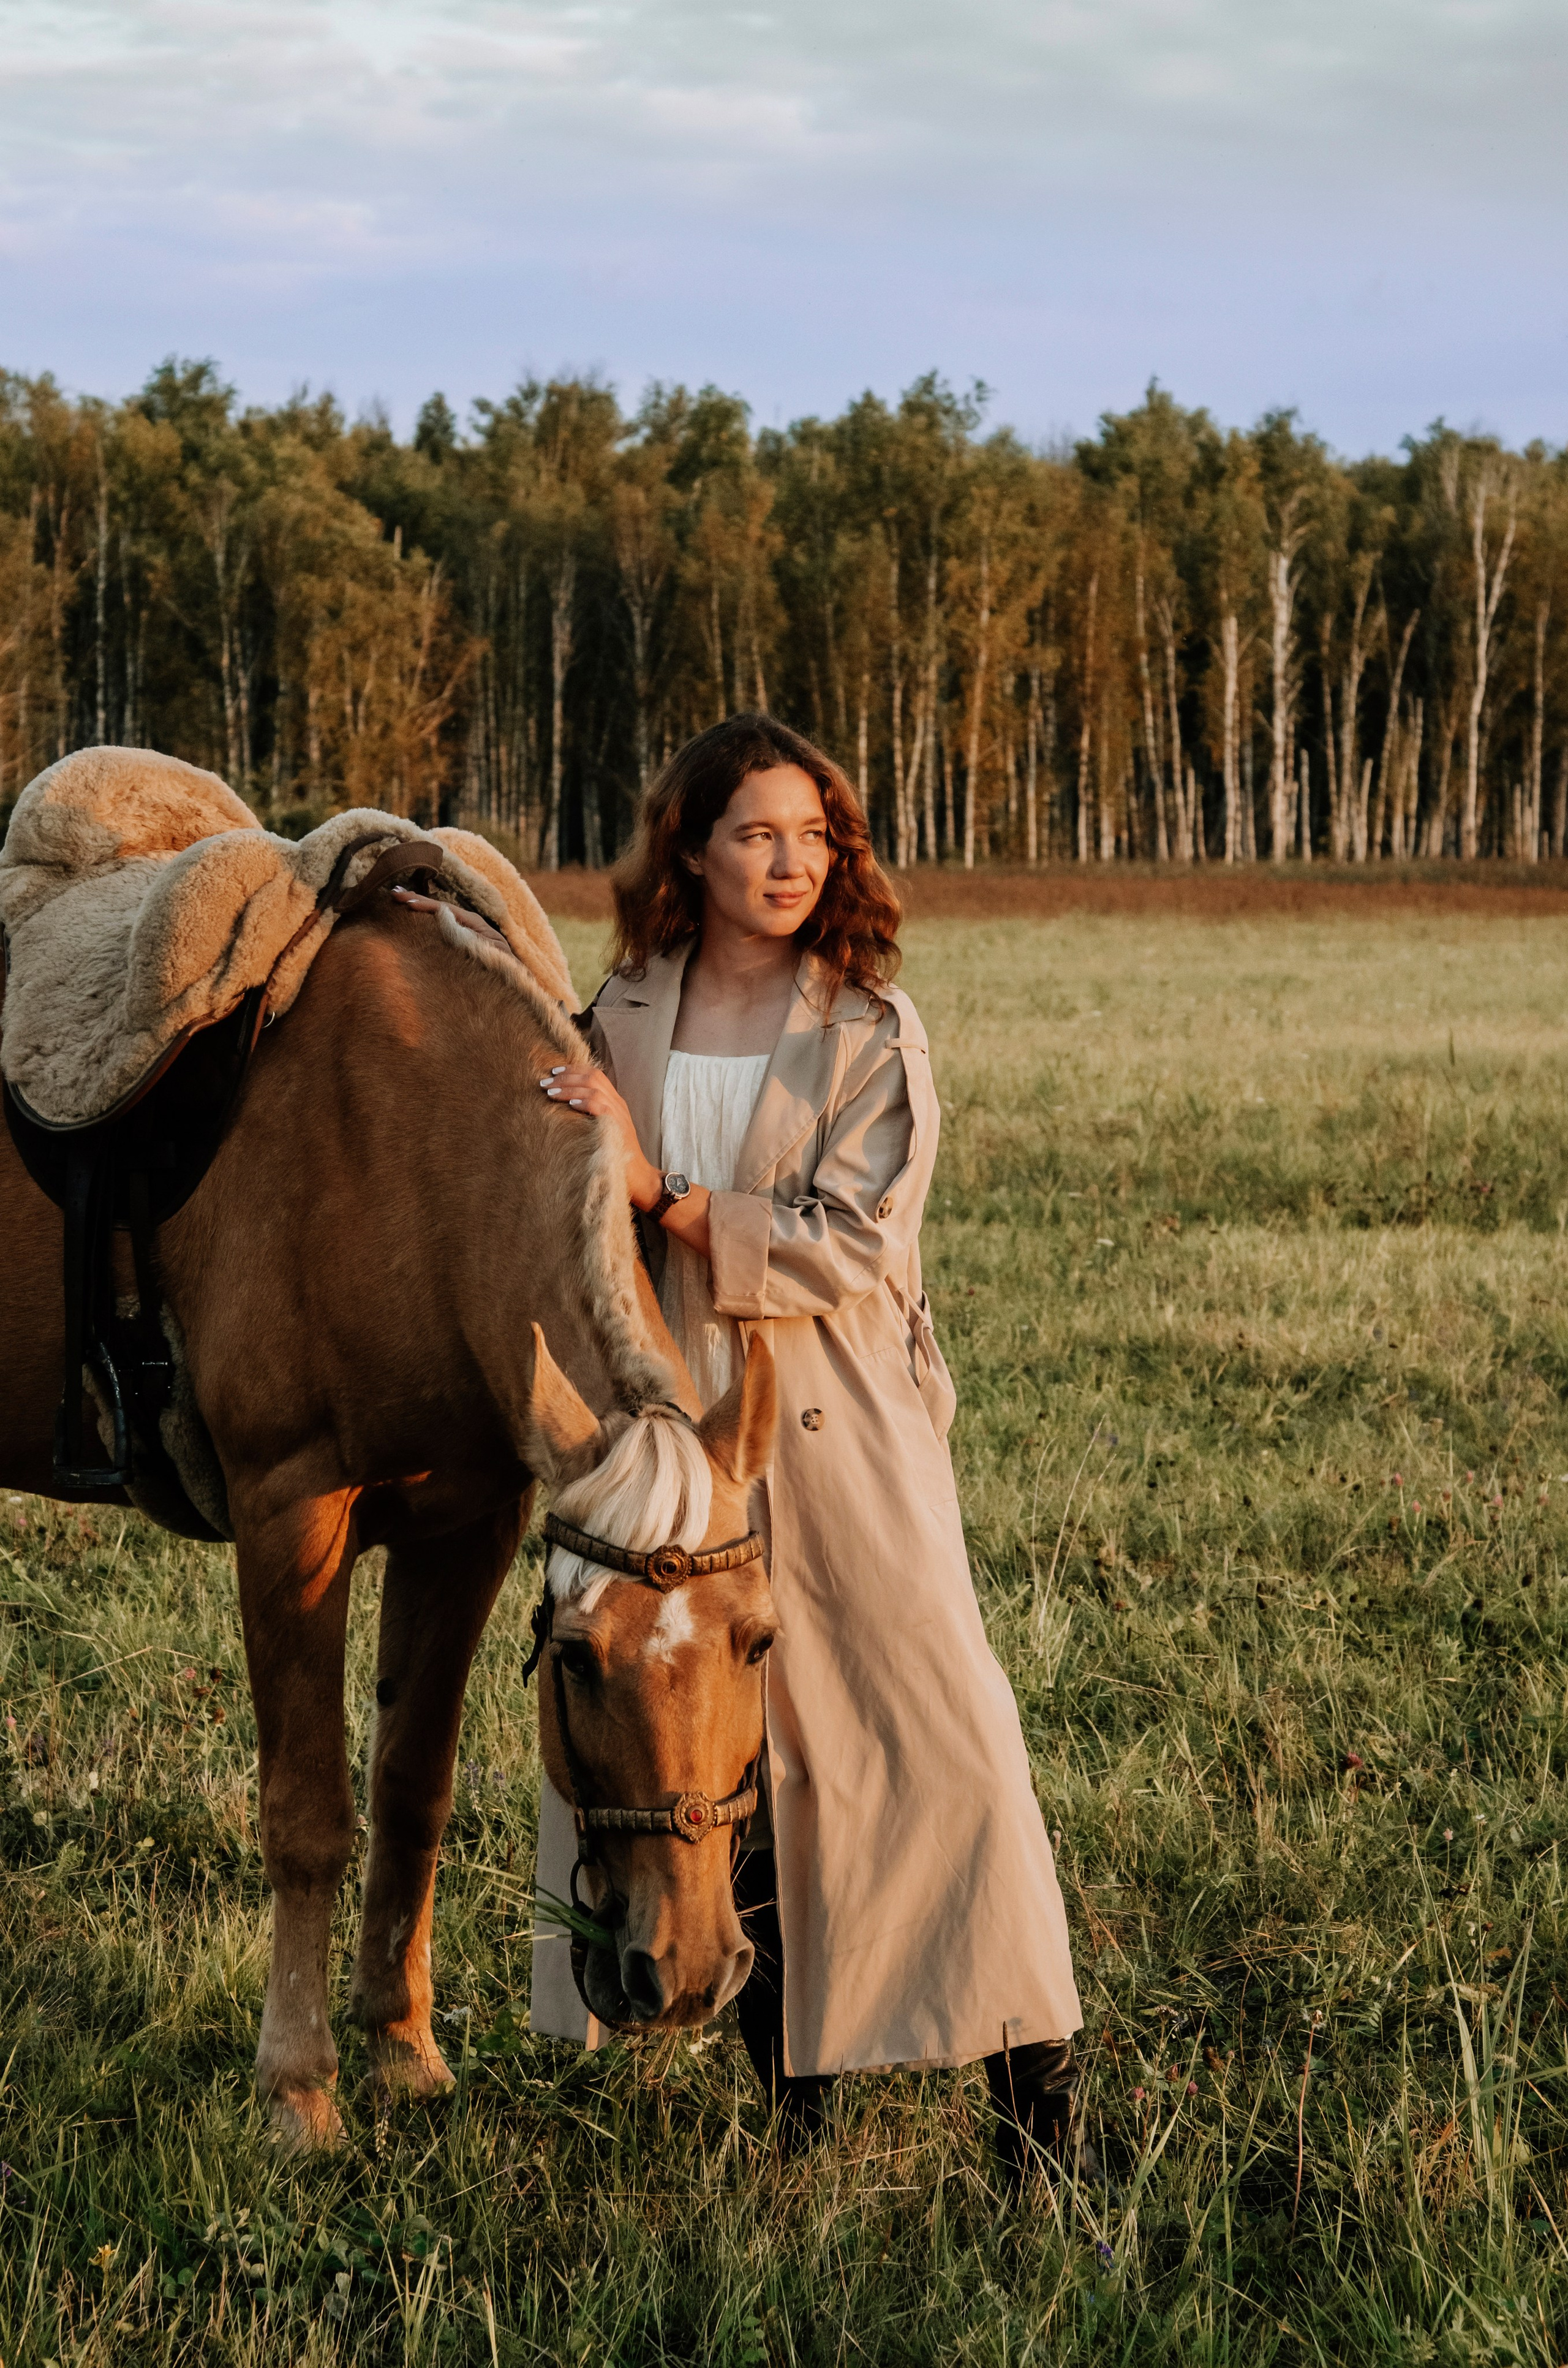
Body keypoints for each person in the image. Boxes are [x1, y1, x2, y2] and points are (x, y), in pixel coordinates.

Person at [525, 712, 1085, 2187]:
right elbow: (553, 1189)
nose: (790, 861)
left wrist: (662, 1190)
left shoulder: (870, 1025)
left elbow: (849, 1245)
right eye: (756, 834)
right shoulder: (618, 1011)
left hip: (838, 1426)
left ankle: (1041, 2121)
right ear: (692, 849)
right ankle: (797, 2114)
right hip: (675, 1435)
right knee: (729, 1758)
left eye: (813, 835)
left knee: (945, 1742)